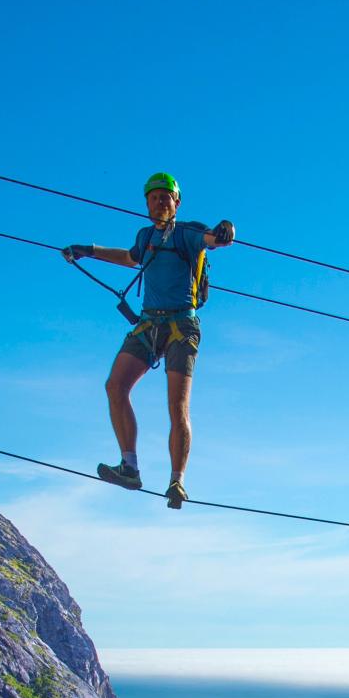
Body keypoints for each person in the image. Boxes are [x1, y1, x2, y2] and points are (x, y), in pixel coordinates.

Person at [63, 172, 233, 509]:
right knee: (115, 387)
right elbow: (130, 258)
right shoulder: (145, 236)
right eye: (154, 197)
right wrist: (89, 250)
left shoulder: (188, 232)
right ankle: (129, 468)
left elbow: (217, 239)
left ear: (176, 202)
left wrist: (227, 227)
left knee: (177, 407)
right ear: (147, 203)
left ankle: (177, 482)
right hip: (148, 323)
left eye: (165, 197)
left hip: (182, 325)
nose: (159, 201)